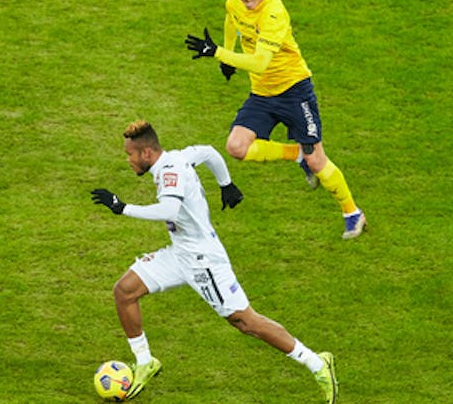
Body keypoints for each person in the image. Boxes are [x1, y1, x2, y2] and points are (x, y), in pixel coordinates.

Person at [90, 120, 338, 403]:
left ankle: (317, 363)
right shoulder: (179, 156)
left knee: (246, 322)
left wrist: (122, 208)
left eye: (130, 154)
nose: (128, 160)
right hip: (180, 252)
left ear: (146, 153)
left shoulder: (170, 172)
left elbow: (169, 208)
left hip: (203, 261)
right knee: (124, 291)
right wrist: (226, 184)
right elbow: (208, 152)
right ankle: (145, 361)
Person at [185, 0, 366, 240]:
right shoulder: (234, 3)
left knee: (317, 160)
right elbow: (232, 20)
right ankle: (296, 155)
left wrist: (219, 53)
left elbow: (259, 63)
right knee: (236, 147)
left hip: (295, 91)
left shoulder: (274, 14)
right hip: (263, 95)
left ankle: (352, 213)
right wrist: (229, 54)